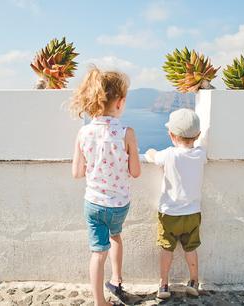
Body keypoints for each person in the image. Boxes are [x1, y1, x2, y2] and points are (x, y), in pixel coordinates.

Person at [71, 66, 141, 306]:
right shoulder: (126, 133)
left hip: (93, 203)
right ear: (120, 102)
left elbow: (77, 173)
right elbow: (136, 172)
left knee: (97, 253)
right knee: (116, 236)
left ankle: (100, 302)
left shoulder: (83, 133)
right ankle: (117, 279)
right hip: (119, 204)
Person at [145, 108, 207, 299]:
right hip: (192, 213)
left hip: (169, 213)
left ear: (171, 135)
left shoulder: (169, 154)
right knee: (191, 249)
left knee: (166, 249)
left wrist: (150, 152)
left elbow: (153, 157)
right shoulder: (200, 154)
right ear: (198, 135)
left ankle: (164, 285)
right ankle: (194, 282)